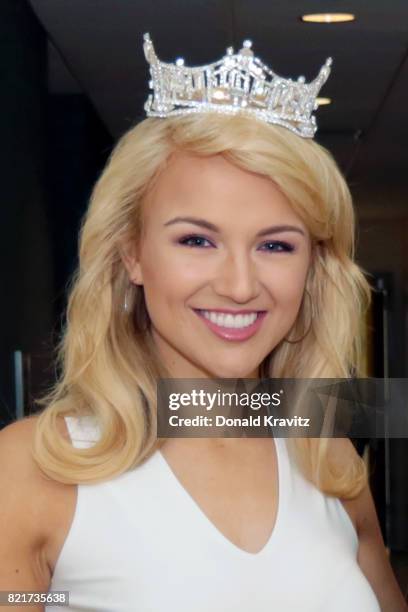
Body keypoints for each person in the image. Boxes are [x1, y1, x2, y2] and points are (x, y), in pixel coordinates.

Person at [0, 35, 407, 612]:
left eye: (275, 245)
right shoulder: (33, 469)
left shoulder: (326, 449)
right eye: (196, 239)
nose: (240, 286)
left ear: (312, 270)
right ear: (131, 255)